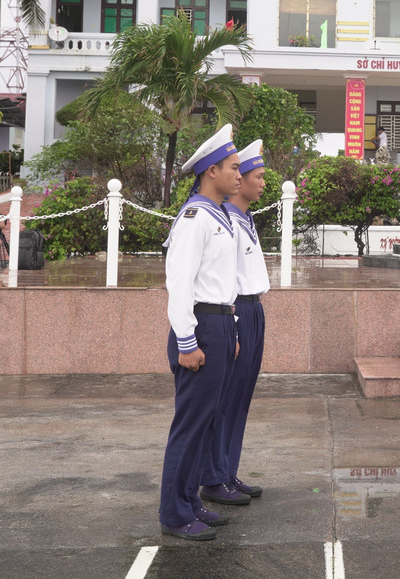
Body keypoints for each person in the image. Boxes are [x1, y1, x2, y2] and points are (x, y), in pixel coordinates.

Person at [158, 124, 242, 541]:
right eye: (233, 167)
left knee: (207, 423)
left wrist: (233, 328)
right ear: (211, 171)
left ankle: (190, 501)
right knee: (190, 425)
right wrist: (187, 342)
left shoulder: (219, 215)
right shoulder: (195, 217)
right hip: (201, 327)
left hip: (220, 323)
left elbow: (222, 280)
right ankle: (174, 514)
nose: (240, 176)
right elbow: (180, 283)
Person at [200, 139, 269, 505]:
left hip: (253, 309)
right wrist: (235, 323)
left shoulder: (245, 217)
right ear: (238, 180)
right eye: (257, 176)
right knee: (225, 401)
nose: (263, 184)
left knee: (240, 398)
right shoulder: (223, 218)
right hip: (236, 310)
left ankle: (227, 471)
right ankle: (213, 478)